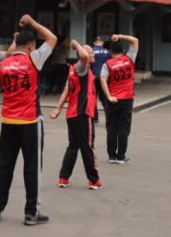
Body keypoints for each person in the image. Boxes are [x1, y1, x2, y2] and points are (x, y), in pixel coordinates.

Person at [0, 14, 57, 225]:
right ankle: (31, 212)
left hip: (9, 121)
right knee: (32, 167)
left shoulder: (3, 64)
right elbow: (52, 38)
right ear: (31, 46)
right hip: (30, 122)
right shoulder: (34, 59)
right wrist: (33, 23)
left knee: (4, 166)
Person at [50, 40, 101, 190]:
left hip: (72, 114)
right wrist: (77, 45)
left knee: (73, 146)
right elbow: (84, 57)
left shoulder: (73, 69)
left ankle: (63, 177)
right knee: (88, 147)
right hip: (82, 114)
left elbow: (66, 89)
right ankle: (94, 179)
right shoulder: (81, 67)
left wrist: (58, 108)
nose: (93, 55)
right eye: (91, 52)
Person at [100, 33, 139, 164]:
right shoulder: (130, 59)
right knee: (123, 128)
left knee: (111, 127)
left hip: (112, 99)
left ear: (110, 51)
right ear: (123, 51)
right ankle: (121, 156)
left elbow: (103, 80)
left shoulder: (107, 64)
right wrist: (120, 36)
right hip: (127, 99)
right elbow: (135, 41)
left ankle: (111, 155)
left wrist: (108, 96)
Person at [91, 38, 110, 125]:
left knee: (93, 98)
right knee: (105, 99)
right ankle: (108, 119)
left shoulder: (91, 51)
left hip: (93, 77)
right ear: (102, 43)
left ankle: (95, 120)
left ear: (94, 43)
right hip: (104, 78)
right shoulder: (107, 52)